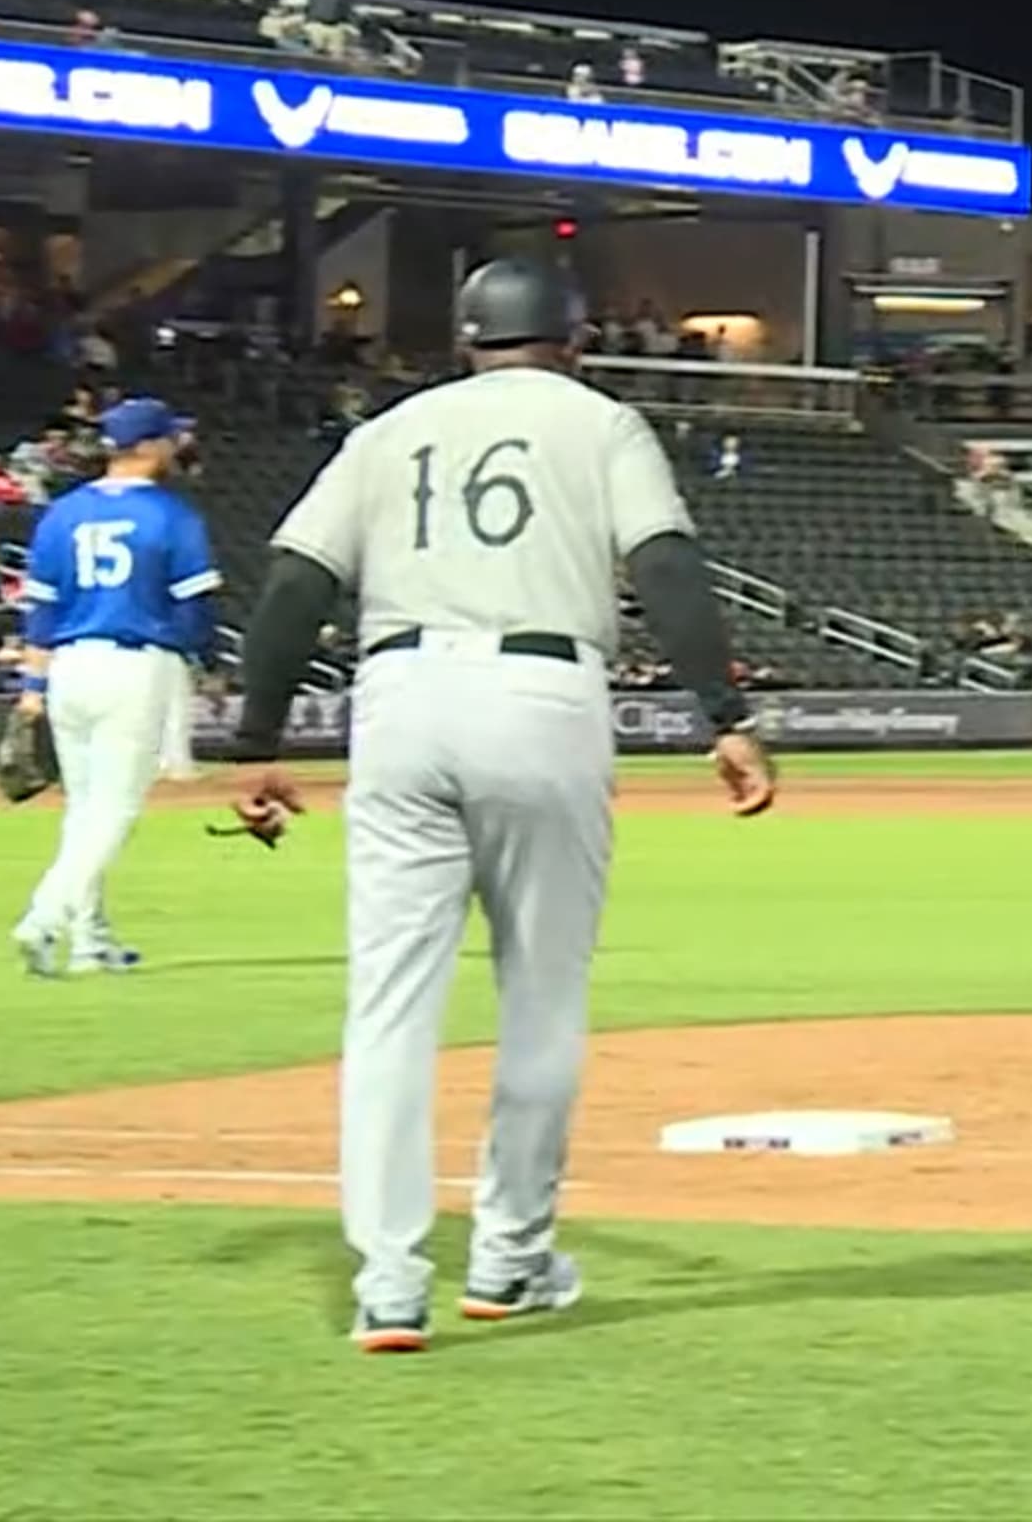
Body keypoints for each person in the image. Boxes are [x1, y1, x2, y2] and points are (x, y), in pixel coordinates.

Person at [225, 256, 779, 1356]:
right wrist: (724, 711)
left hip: (400, 698)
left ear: (467, 342)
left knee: (387, 1008)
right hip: (543, 693)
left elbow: (294, 582)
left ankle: (388, 1284)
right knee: (541, 994)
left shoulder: (389, 430)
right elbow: (665, 566)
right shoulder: (601, 422)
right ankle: (509, 1261)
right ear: (569, 340)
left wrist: (256, 738)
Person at [9, 398, 219, 975]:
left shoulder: (62, 513)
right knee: (115, 810)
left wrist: (33, 687)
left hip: (68, 668)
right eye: (170, 438)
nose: (178, 446)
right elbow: (195, 607)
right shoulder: (171, 515)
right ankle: (43, 916)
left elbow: (40, 614)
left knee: (84, 810)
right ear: (149, 447)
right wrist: (203, 659)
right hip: (135, 665)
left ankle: (89, 939)